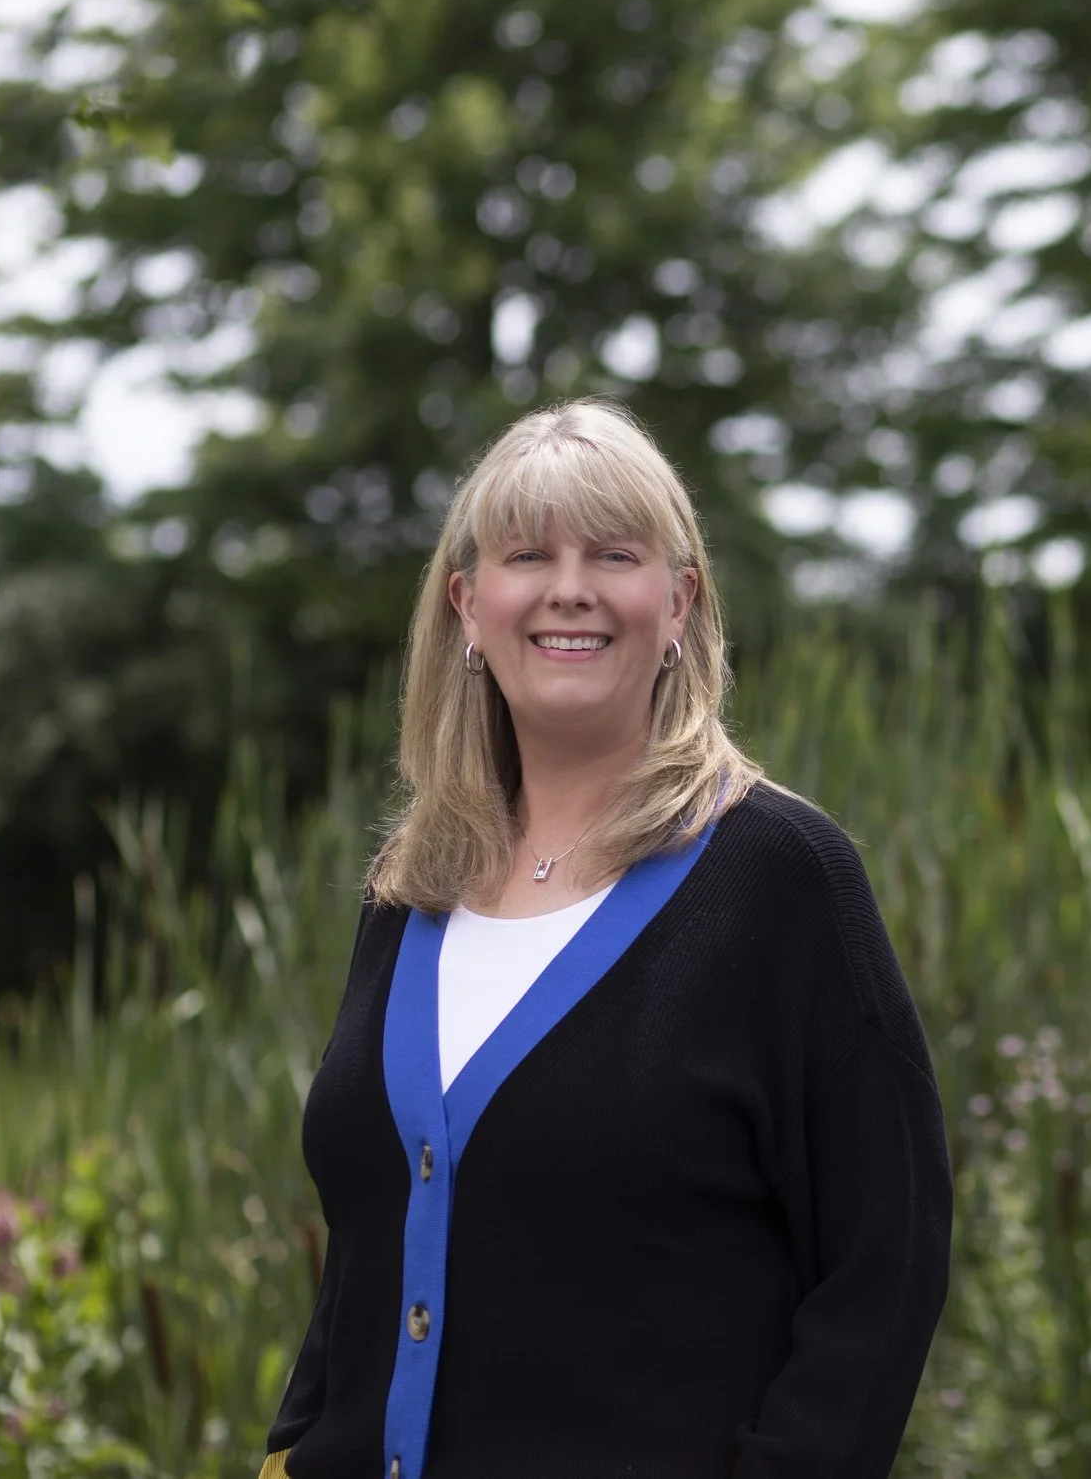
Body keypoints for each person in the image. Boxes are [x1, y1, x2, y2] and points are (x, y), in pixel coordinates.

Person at [259, 399, 952, 1479]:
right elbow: (369, 1239)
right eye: (528, 553)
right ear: (468, 606)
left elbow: (887, 1256)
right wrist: (291, 1445)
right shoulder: (410, 887)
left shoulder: (783, 876)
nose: (568, 586)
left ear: (679, 601)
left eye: (613, 553)